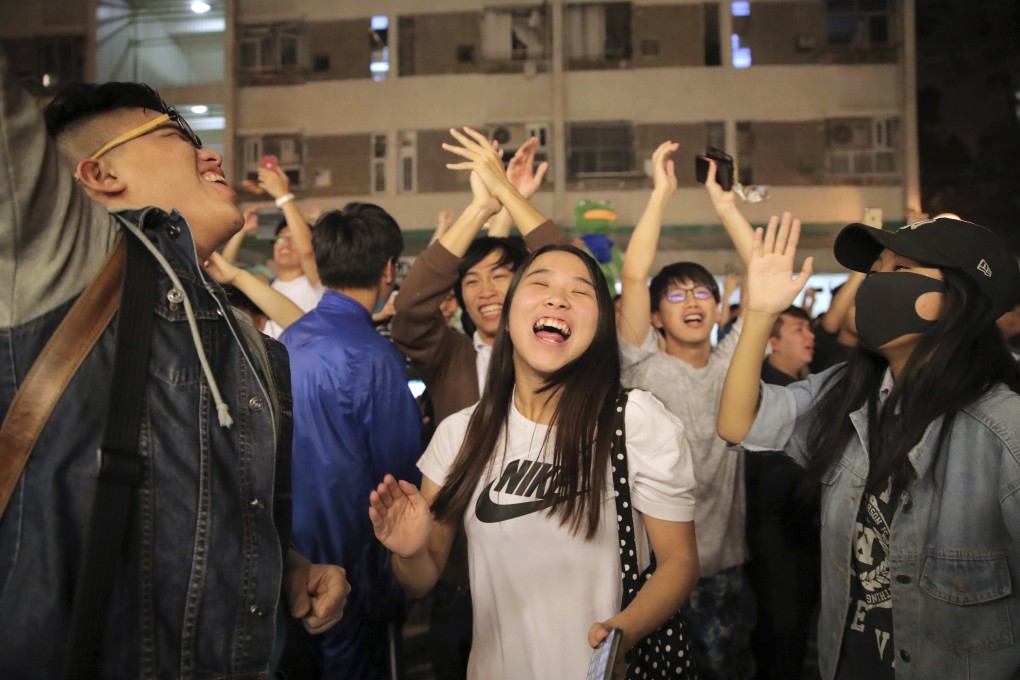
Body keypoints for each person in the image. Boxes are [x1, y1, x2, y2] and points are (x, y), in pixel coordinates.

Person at [0, 55, 348, 678]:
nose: (210, 154)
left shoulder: (250, 342)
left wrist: (289, 566)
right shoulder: (61, 268)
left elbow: (231, 514)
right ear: (97, 174)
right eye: (176, 136)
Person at [370, 243, 700, 679]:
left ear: (600, 325)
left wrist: (624, 633)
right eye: (540, 283)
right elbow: (421, 578)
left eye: (580, 292)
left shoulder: (636, 421)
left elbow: (679, 561)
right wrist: (410, 553)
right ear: (507, 315)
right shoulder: (460, 434)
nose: (557, 298)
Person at [718, 215, 1020, 680]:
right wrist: (757, 314)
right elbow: (739, 422)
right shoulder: (847, 391)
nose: (876, 284)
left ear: (956, 300)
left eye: (900, 270)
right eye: (875, 271)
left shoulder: (1004, 428)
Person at [617, 141, 756, 679]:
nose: (693, 302)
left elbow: (762, 277)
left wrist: (725, 207)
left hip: (725, 568)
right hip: (654, 569)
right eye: (675, 297)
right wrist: (662, 194)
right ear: (653, 317)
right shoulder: (642, 366)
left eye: (703, 293)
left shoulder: (732, 366)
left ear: (720, 308)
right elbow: (632, 276)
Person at [281, 204, 422, 679]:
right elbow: (398, 480)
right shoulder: (376, 356)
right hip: (355, 573)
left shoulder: (285, 341)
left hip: (288, 565)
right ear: (388, 270)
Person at [745, 304, 820, 679]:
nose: (811, 336)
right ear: (771, 341)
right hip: (778, 541)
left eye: (810, 329)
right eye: (799, 329)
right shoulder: (765, 391)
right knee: (781, 644)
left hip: (802, 538)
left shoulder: (804, 388)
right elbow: (770, 484)